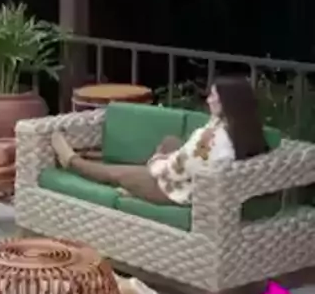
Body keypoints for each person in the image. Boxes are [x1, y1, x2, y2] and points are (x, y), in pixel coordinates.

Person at [50, 76, 269, 206]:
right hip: (195, 181)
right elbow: (192, 161)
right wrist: (167, 156)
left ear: (226, 102)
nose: (209, 99)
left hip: (178, 191)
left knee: (116, 174)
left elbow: (179, 170)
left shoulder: (211, 138)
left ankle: (72, 160)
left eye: (213, 96)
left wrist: (157, 162)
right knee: (170, 141)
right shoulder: (243, 130)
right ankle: (134, 177)